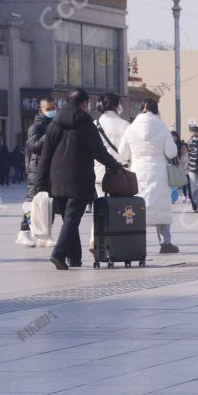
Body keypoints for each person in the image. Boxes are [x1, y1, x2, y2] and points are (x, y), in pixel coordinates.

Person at [38, 89, 122, 270]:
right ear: (84, 104)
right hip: (79, 179)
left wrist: (41, 182)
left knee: (69, 219)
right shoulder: (86, 124)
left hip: (57, 180)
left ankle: (74, 258)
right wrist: (115, 165)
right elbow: (98, 152)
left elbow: (45, 154)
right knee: (72, 219)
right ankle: (58, 254)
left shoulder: (55, 124)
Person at [118, 99, 179, 253]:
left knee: (138, 207)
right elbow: (171, 152)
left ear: (141, 109)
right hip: (158, 171)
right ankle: (166, 243)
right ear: (156, 110)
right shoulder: (162, 126)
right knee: (161, 206)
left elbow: (123, 153)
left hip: (138, 170)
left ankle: (136, 242)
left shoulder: (131, 128)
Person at [90, 94, 130, 252]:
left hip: (99, 172)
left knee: (100, 205)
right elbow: (128, 152)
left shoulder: (94, 124)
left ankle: (94, 239)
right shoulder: (125, 125)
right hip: (120, 172)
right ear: (117, 105)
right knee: (119, 207)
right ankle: (116, 241)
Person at [16, 97, 57, 248]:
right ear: (41, 110)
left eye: (53, 108)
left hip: (49, 168)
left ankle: (45, 235)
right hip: (36, 170)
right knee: (32, 202)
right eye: (48, 109)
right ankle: (23, 232)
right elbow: (34, 146)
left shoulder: (54, 125)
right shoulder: (36, 126)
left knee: (48, 201)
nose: (52, 111)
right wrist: (50, 134)